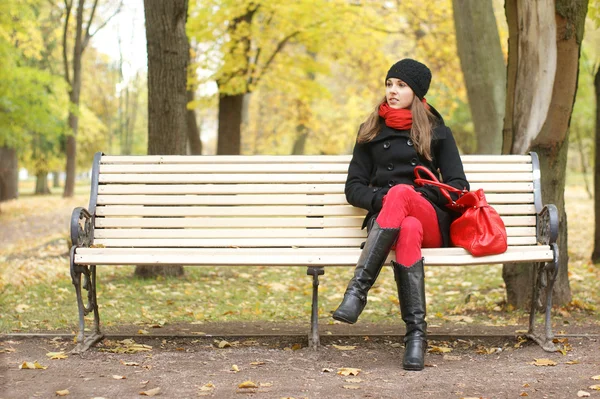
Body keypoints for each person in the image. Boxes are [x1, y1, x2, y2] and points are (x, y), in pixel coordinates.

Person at [332, 58, 469, 371]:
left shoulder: (437, 131)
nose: (392, 91)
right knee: (404, 221)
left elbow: (459, 185)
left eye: (401, 85)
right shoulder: (370, 131)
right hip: (391, 225)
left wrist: (414, 195)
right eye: (389, 83)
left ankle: (357, 293)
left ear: (416, 93)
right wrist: (386, 199)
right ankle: (416, 339)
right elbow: (353, 188)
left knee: (403, 194)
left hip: (432, 220)